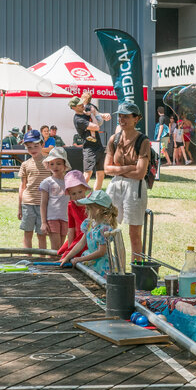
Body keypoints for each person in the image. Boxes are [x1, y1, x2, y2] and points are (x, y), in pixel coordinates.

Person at [104, 103, 151, 261]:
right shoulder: (114, 139)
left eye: (126, 116)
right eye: (120, 115)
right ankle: (109, 265)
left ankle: (137, 269)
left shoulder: (142, 140)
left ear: (136, 119)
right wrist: (128, 167)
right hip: (116, 184)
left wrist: (119, 169)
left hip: (134, 187)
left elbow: (140, 173)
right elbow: (106, 169)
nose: (122, 119)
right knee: (107, 227)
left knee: (134, 233)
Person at [59, 189, 118, 277]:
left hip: (101, 267)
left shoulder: (104, 229)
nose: (86, 211)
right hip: (91, 263)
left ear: (100, 210)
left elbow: (101, 252)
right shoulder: (89, 224)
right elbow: (81, 243)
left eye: (89, 209)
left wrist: (80, 259)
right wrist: (67, 257)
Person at [17, 129, 52, 249]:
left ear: (42, 144)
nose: (33, 150)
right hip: (28, 203)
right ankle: (29, 258)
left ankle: (41, 260)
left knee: (42, 234)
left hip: (44, 204)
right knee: (28, 233)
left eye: (36, 146)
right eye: (29, 147)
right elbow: (22, 187)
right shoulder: (25, 164)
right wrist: (19, 207)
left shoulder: (50, 162)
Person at [70, 92, 108, 190]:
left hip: (98, 146)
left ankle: (96, 196)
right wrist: (92, 115)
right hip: (89, 149)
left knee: (101, 173)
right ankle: (77, 195)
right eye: (80, 104)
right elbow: (96, 126)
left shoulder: (85, 110)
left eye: (82, 103)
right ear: (74, 107)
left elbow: (96, 113)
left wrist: (104, 115)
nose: (83, 105)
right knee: (87, 174)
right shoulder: (78, 119)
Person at [39, 147, 70, 250]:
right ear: (48, 165)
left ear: (65, 165)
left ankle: (58, 265)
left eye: (58, 163)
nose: (55, 166)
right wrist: (44, 222)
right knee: (55, 248)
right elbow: (43, 204)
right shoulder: (47, 182)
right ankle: (52, 265)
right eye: (51, 164)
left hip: (65, 218)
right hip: (52, 218)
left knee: (61, 248)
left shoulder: (69, 182)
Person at [57, 169, 90, 259]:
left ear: (85, 188)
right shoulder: (71, 205)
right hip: (77, 237)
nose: (78, 196)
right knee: (65, 255)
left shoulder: (91, 203)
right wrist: (70, 248)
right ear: (69, 195)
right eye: (74, 193)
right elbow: (71, 229)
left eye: (80, 192)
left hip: (90, 237)